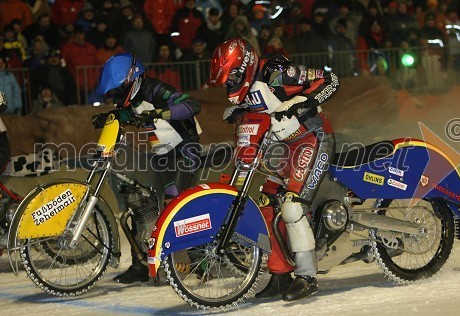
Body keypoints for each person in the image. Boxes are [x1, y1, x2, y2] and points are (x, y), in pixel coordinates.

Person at [208, 37, 339, 301]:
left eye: (232, 77)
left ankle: (307, 276)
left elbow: (330, 80)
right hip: (283, 148)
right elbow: (258, 108)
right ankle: (281, 274)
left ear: (244, 65)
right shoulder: (246, 89)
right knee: (265, 203)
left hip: (313, 138)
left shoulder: (277, 73)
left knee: (292, 205)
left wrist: (303, 101)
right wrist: (238, 113)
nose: (230, 84)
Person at [92, 52, 201, 284]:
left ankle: (197, 259)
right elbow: (126, 113)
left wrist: (162, 112)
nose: (117, 96)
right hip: (162, 155)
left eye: (119, 90)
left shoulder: (155, 89)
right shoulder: (133, 100)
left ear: (133, 78)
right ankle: (140, 265)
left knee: (175, 201)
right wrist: (107, 117)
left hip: (185, 148)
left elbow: (192, 105)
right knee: (139, 199)